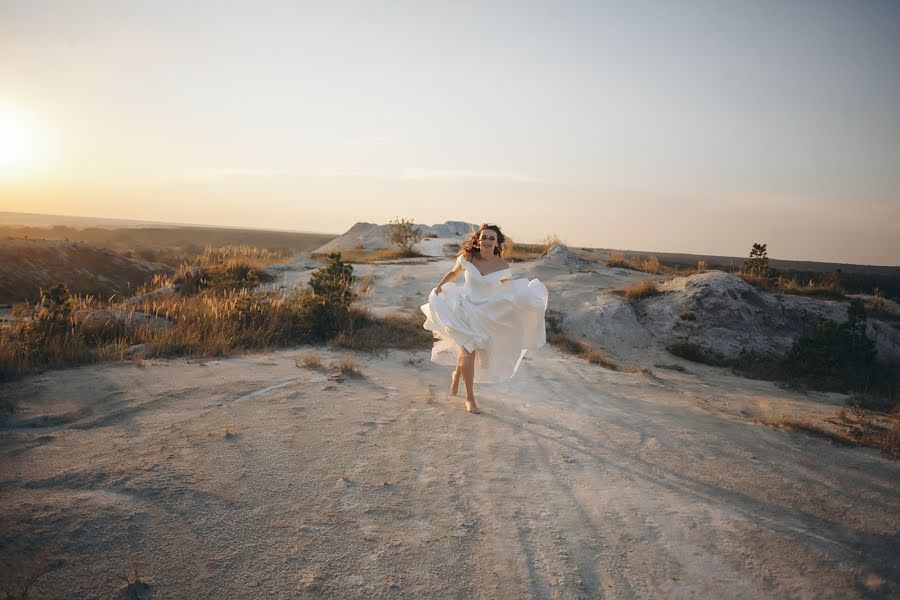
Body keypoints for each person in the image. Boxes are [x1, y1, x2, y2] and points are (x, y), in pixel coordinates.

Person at [421, 224, 548, 414]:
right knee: (468, 350)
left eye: (491, 238)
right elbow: (454, 273)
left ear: (497, 243)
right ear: (478, 239)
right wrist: (439, 287)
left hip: (486, 313)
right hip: (463, 308)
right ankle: (469, 398)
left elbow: (507, 289)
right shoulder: (467, 258)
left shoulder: (503, 266)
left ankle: (457, 374)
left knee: (472, 349)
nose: (487, 240)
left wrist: (525, 300)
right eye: (484, 237)